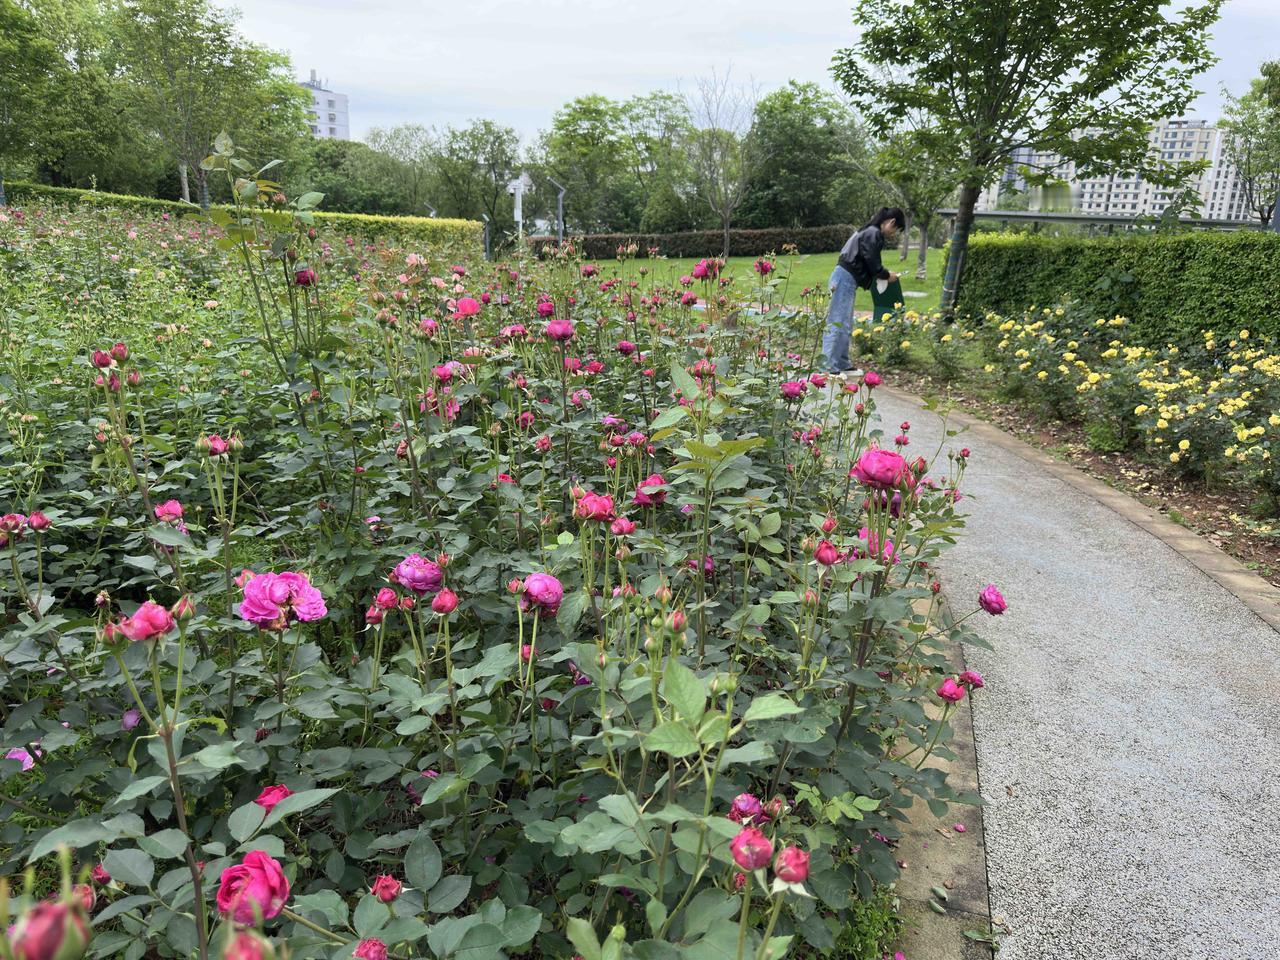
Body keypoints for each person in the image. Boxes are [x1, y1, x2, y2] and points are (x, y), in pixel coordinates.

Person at [823, 207, 904, 376]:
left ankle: (842, 363)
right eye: (896, 229)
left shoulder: (870, 232)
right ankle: (827, 367)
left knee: (845, 323)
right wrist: (887, 275)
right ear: (891, 222)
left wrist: (883, 274)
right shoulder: (873, 233)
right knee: (837, 321)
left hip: (848, 280)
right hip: (844, 278)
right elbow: (872, 262)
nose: (894, 233)